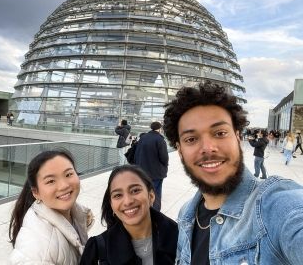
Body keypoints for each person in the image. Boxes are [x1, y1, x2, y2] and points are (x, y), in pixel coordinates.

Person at [163, 82, 303, 264]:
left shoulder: (273, 205)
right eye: (191, 139)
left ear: (238, 138)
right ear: (180, 151)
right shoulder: (185, 216)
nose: (208, 148)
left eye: (220, 133)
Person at [80, 165, 178, 265]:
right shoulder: (97, 249)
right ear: (112, 205)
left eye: (135, 190)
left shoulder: (180, 238)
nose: (127, 201)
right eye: (118, 195)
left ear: (151, 196)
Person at [9, 150, 94, 264]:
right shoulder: (36, 250)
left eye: (68, 174)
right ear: (36, 192)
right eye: (51, 181)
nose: (64, 185)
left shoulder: (76, 214)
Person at [134, 122, 169, 211]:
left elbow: (137, 153)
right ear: (160, 129)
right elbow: (164, 157)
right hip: (155, 172)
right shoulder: (160, 139)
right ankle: (155, 212)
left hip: (142, 171)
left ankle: (144, 208)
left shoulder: (143, 137)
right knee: (156, 192)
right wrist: (164, 166)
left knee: (144, 190)